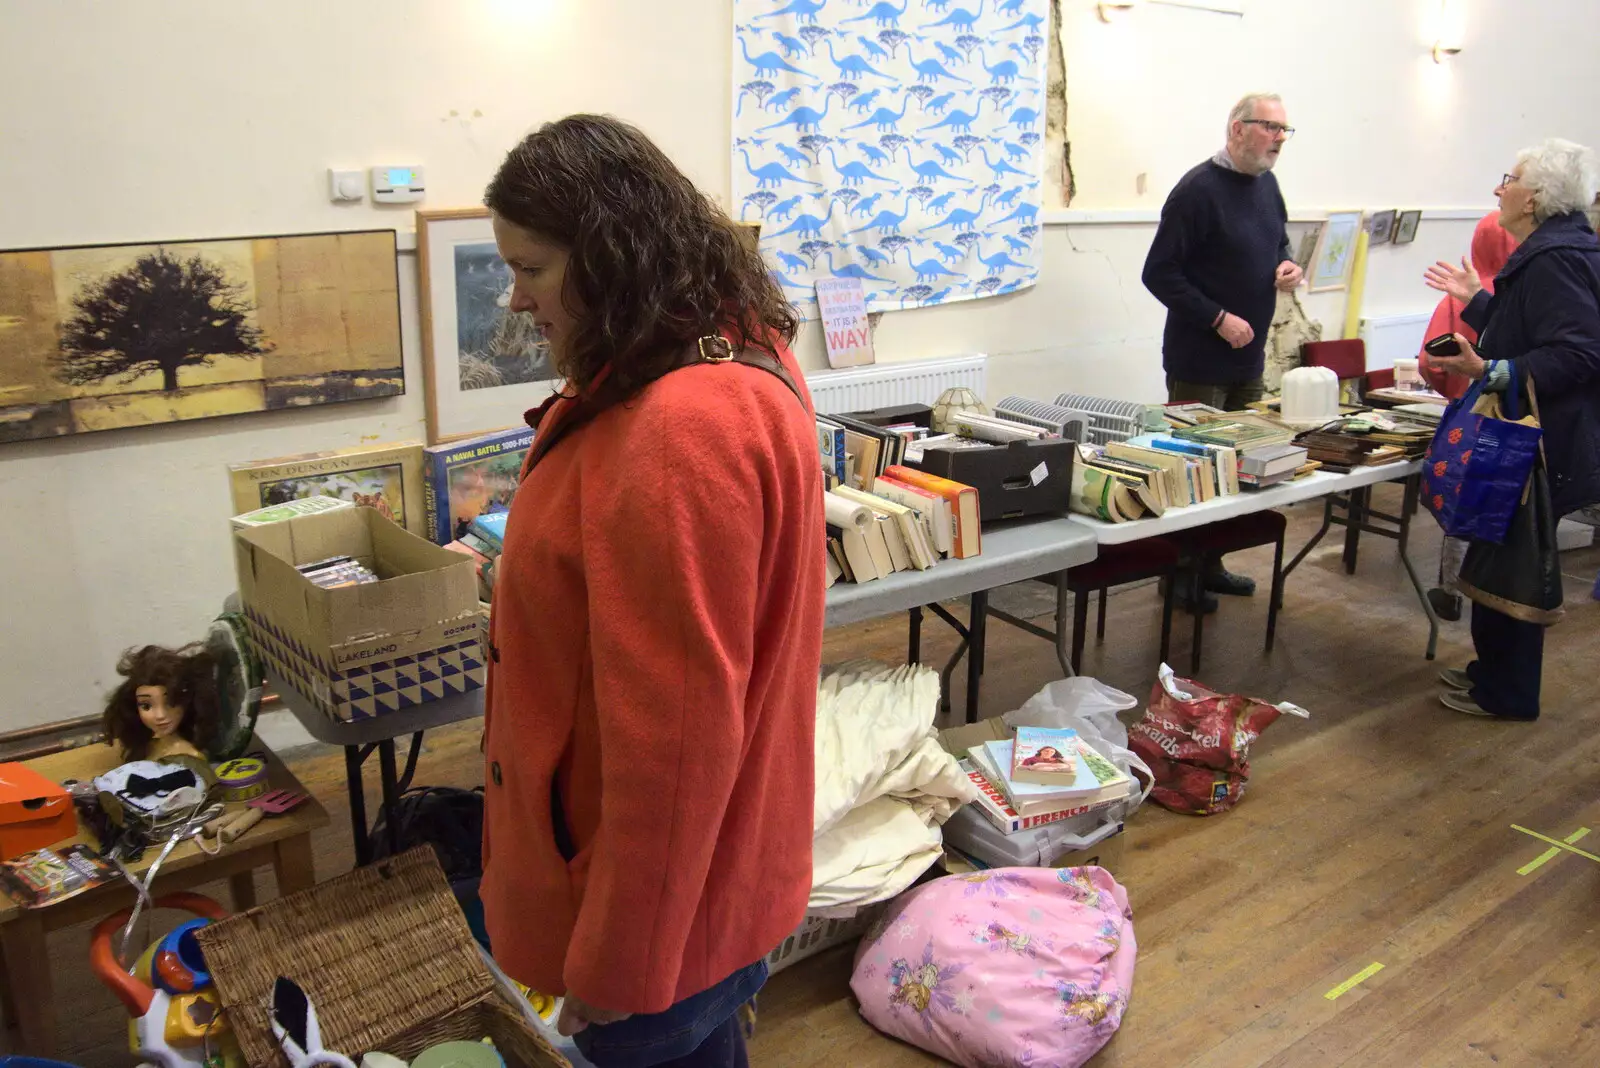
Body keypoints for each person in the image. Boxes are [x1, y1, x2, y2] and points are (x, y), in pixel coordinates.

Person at [477, 114, 826, 1067]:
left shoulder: (678, 427)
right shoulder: (732, 352)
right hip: (711, 879)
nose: (514, 299)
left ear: (612, 254)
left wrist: (619, 959)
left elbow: (675, 740)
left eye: (533, 270)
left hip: (646, 903)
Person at [1423, 137, 1600, 720]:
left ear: (1536, 198)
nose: (1501, 188)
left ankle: (1509, 694)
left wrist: (1490, 369)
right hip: (1532, 437)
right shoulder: (1556, 248)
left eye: (1511, 178)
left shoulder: (1556, 257)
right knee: (1496, 560)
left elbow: (1577, 353)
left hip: (1538, 446)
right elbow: (1528, 328)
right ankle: (1489, 674)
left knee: (1516, 573)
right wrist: (1477, 302)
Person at [1142, 92, 1304, 610]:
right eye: (1270, 127)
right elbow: (1159, 273)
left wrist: (1287, 266)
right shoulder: (1197, 191)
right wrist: (1217, 317)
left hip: (1246, 359)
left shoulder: (1267, 184)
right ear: (1237, 129)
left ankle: (1211, 565)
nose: (1280, 138)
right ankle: (1179, 576)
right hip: (1200, 360)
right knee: (1192, 470)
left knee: (1236, 467)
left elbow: (1277, 242)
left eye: (1285, 129)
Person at [1418, 212, 1519, 622]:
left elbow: (1430, 362)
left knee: (1463, 497)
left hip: (1467, 418)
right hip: (1512, 418)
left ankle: (1451, 590)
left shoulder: (1460, 295)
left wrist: (1456, 393)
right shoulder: (1519, 297)